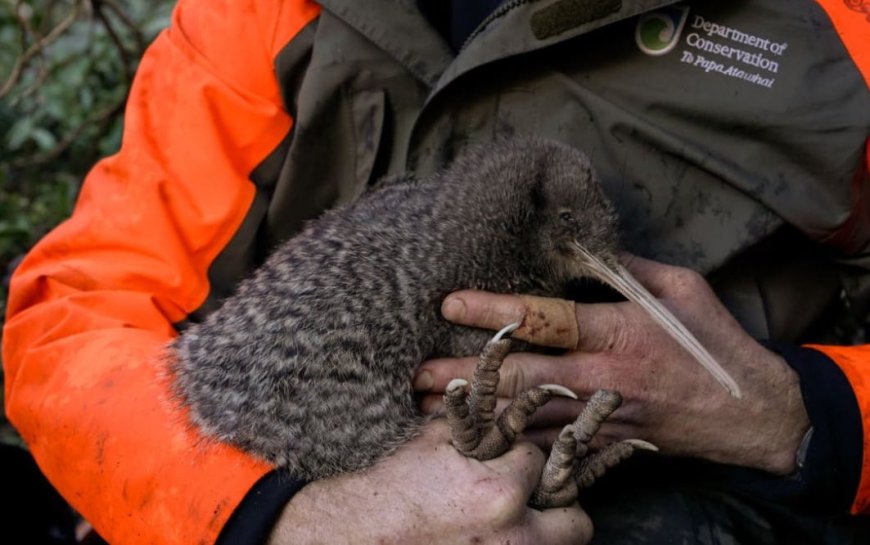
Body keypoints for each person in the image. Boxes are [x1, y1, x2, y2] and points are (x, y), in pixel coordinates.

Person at [3, 0, 869, 543]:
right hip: (302, 459)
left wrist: (797, 411)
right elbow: (80, 308)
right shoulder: (264, 13)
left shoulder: (838, 29)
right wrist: (265, 517)